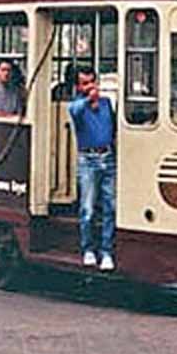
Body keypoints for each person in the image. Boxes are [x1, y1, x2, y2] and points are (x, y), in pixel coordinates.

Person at [68, 66, 116, 271]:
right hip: (87, 160)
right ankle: (88, 249)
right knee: (87, 207)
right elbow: (74, 111)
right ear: (78, 87)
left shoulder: (106, 104)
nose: (90, 87)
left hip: (108, 157)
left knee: (110, 206)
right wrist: (89, 99)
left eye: (92, 82)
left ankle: (106, 251)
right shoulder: (77, 106)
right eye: (85, 83)